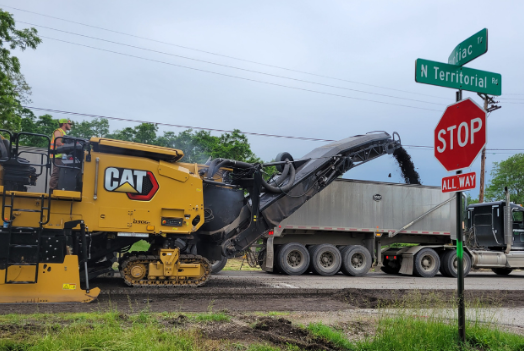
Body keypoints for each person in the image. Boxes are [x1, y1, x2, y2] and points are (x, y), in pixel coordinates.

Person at [49, 119, 72, 190]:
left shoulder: (63, 133)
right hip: (56, 155)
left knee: (60, 174)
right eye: (69, 124)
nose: (70, 126)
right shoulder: (58, 131)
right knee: (56, 173)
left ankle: (57, 189)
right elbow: (58, 142)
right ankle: (52, 189)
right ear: (64, 124)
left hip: (60, 156)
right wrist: (69, 146)